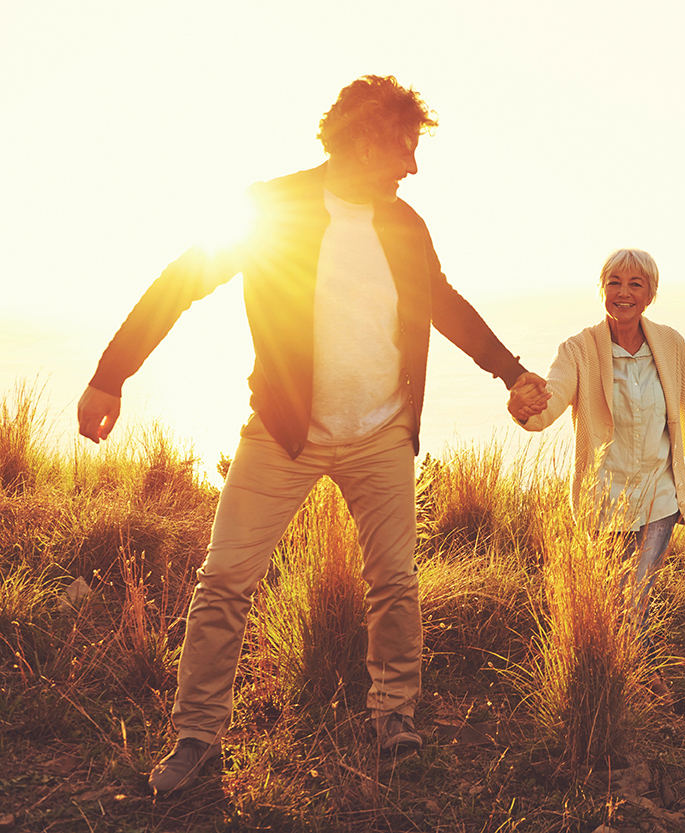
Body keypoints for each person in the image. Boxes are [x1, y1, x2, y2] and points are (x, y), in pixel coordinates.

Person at [76, 75, 547, 794]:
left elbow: (442, 303)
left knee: (394, 582)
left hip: (382, 433)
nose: (413, 167)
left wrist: (510, 373)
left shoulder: (404, 224)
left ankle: (397, 719)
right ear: (364, 138)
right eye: (405, 147)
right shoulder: (276, 207)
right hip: (283, 432)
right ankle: (198, 737)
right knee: (224, 580)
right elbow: (183, 278)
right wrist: (112, 374)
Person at [507, 248, 685, 696]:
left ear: (651, 294)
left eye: (635, 284)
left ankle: (634, 675)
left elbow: (684, 409)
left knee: (636, 592)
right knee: (614, 593)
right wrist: (526, 410)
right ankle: (614, 675)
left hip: (658, 493)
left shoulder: (671, 343)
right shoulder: (579, 348)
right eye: (614, 282)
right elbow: (553, 399)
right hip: (606, 497)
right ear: (602, 289)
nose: (624, 292)